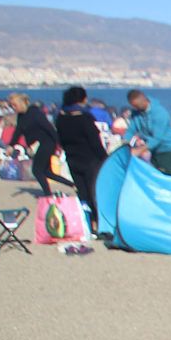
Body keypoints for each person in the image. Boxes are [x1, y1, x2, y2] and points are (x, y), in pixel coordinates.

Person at [53, 87, 108, 232]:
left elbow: (61, 141)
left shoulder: (60, 118)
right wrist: (106, 159)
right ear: (82, 99)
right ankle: (99, 224)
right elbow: (95, 143)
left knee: (83, 193)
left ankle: (86, 224)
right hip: (90, 161)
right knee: (94, 193)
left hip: (73, 159)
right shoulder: (85, 118)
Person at [6, 92, 76, 195]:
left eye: (14, 105)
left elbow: (49, 128)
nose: (13, 108)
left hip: (47, 143)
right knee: (47, 172)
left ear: (21, 103)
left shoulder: (35, 113)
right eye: (11, 106)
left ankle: (48, 195)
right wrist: (11, 145)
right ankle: (72, 185)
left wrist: (60, 144)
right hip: (37, 146)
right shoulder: (21, 116)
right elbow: (18, 132)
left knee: (37, 170)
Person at [123, 90, 171, 176]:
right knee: (156, 177)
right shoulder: (136, 113)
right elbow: (131, 130)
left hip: (170, 150)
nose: (135, 108)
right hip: (155, 151)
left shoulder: (160, 113)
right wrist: (124, 144)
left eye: (137, 106)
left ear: (144, 100)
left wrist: (138, 151)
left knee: (169, 178)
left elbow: (157, 138)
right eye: (133, 106)